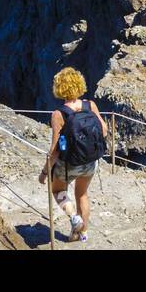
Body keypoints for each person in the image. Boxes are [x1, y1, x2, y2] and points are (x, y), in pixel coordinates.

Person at [37, 67, 107, 242]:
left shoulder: (58, 114)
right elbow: (104, 131)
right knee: (82, 194)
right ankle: (82, 234)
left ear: (59, 89)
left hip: (69, 164)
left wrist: (45, 172)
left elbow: (55, 149)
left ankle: (74, 218)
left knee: (58, 190)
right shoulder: (90, 105)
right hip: (90, 161)